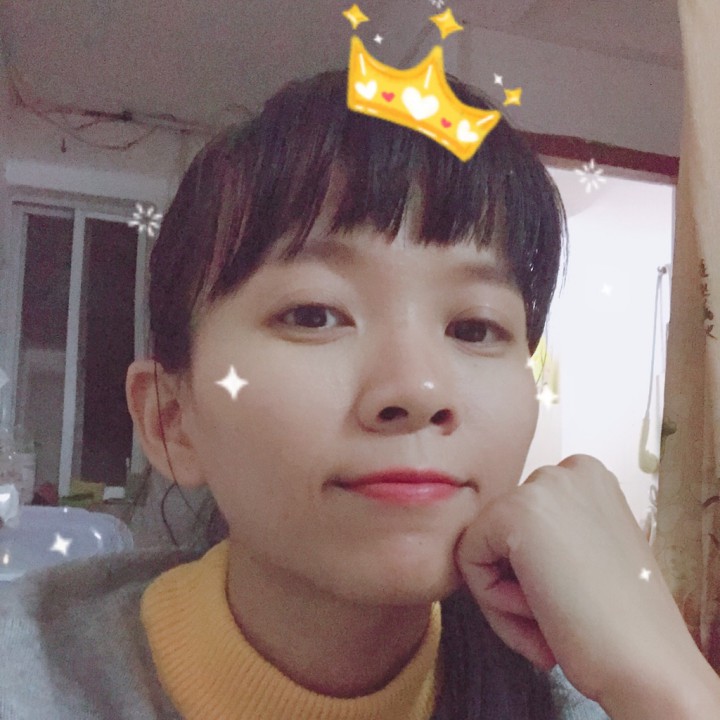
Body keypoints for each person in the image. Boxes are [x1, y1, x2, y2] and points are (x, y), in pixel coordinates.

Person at [2, 68, 719, 720]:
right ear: (172, 419)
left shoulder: (592, 698)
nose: (417, 389)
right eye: (314, 315)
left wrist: (672, 691)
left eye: (474, 327)